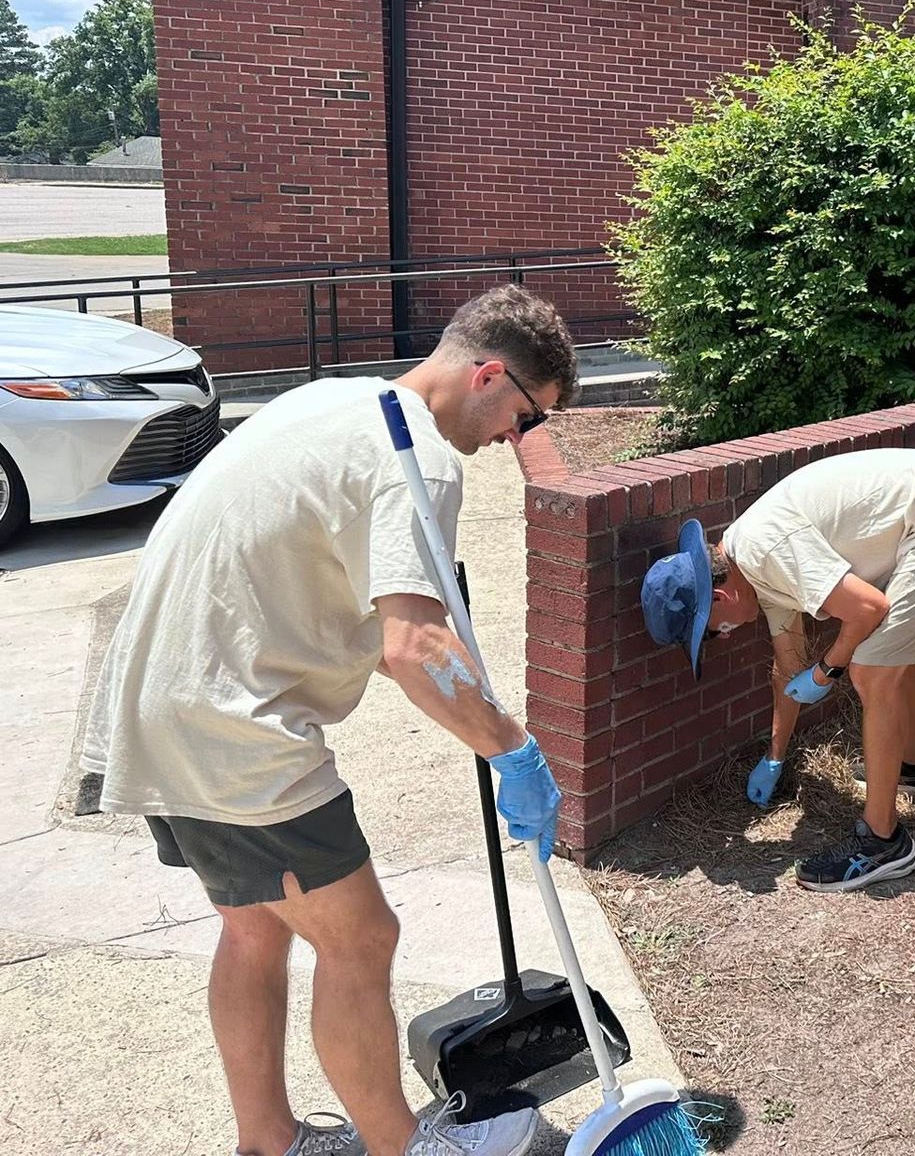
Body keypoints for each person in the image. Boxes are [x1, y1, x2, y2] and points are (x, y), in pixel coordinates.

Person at [81, 286, 578, 1156]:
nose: (516, 438)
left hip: (152, 705)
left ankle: (268, 1141)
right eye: (526, 416)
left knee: (255, 927)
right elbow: (414, 648)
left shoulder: (333, 399)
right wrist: (514, 750)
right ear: (489, 374)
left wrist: (466, 698)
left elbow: (355, 613)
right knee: (362, 937)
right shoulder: (420, 459)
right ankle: (402, 1147)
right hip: (233, 730)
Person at [642, 449, 915, 893]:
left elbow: (869, 608)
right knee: (897, 652)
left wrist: (827, 669)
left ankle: (884, 842)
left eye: (711, 631)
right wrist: (775, 756)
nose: (724, 636)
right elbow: (788, 667)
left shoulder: (764, 551)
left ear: (720, 597)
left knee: (872, 667)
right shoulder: (751, 568)